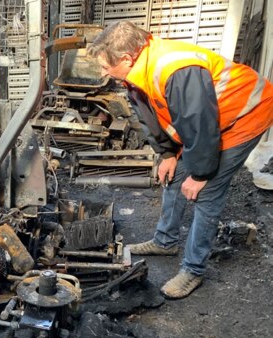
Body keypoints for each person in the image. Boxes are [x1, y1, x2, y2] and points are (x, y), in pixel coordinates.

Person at [88, 21, 273, 299]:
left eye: (105, 66)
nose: (103, 73)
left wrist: (200, 175)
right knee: (173, 174)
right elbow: (152, 119)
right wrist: (167, 155)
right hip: (208, 121)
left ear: (126, 59)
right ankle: (165, 241)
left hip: (246, 113)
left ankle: (193, 270)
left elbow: (200, 125)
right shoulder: (137, 73)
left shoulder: (176, 69)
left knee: (208, 191)